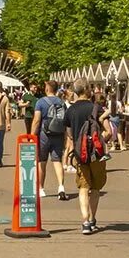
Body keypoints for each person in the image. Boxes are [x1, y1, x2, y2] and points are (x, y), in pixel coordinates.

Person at [65, 79, 106, 234]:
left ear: (75, 92)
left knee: (83, 187)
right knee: (95, 188)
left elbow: (69, 133)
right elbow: (108, 130)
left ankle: (85, 221)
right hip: (96, 154)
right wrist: (102, 142)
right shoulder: (96, 108)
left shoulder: (71, 110)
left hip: (79, 153)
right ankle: (93, 219)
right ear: (88, 90)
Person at [30, 80, 70, 200]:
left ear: (47, 88)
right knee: (57, 161)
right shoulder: (61, 102)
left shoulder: (40, 102)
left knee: (42, 161)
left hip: (44, 134)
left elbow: (37, 120)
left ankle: (41, 188)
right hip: (58, 134)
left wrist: (32, 135)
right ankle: (61, 187)